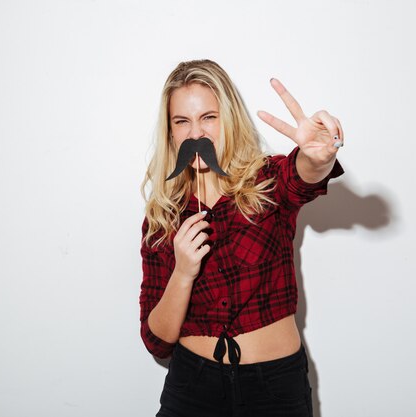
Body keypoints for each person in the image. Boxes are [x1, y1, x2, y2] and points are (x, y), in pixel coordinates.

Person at [139, 59, 344, 417]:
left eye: (208, 117)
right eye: (181, 121)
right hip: (192, 388)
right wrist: (183, 272)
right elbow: (157, 340)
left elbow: (303, 177)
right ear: (170, 131)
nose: (196, 134)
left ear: (228, 118)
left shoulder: (266, 182)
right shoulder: (163, 216)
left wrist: (318, 157)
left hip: (275, 388)